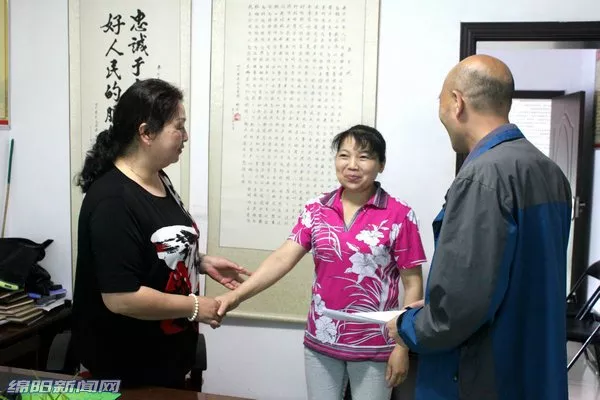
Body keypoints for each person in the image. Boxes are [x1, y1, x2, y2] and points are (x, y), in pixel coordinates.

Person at [386, 55, 572, 400]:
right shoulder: (549, 171)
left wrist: (409, 326)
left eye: (441, 102)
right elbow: (510, 275)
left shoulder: (483, 177)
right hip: (531, 366)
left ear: (457, 102)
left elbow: (457, 311)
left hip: (482, 374)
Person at [216, 125, 426, 400]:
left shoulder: (399, 214)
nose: (352, 165)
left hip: (375, 344)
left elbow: (413, 283)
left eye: (364, 157)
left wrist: (402, 345)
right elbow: (282, 258)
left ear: (381, 164)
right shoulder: (317, 209)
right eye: (344, 155)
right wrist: (235, 297)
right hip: (322, 339)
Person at [71, 78, 250, 389]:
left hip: (167, 362)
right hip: (126, 370)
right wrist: (196, 307)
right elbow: (121, 297)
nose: (186, 136)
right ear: (146, 133)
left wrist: (198, 260)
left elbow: (151, 246)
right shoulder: (113, 200)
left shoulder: (159, 178)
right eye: (179, 127)